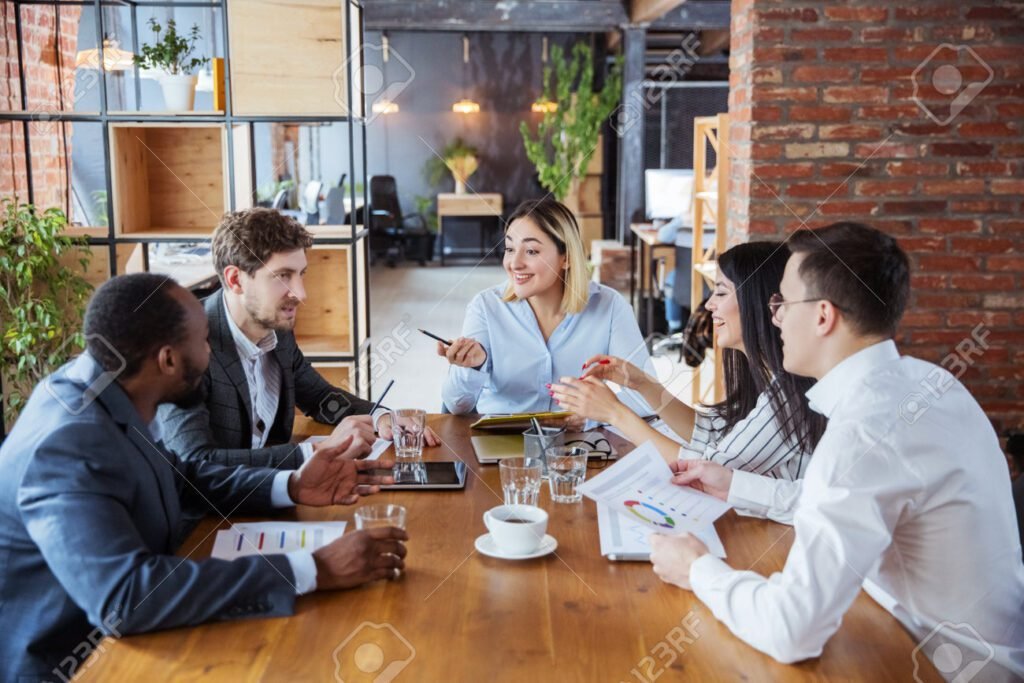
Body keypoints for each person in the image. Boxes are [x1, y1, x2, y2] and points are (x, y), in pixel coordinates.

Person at [650, 222, 1024, 678]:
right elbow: (840, 498)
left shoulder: (863, 432)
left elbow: (792, 630)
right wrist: (734, 485)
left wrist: (696, 569)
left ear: (823, 316)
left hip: (942, 667)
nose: (774, 318)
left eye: (782, 303)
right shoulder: (929, 382)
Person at [0, 274, 407, 681]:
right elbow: (125, 598)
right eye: (204, 341)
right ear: (168, 360)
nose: (211, 352)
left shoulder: (107, 385)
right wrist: (312, 569)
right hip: (80, 665)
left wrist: (293, 485)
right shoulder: (67, 445)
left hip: (143, 640)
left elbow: (183, 478)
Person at [159, 208, 438, 471]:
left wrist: (382, 417)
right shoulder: (185, 345)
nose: (301, 294)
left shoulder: (276, 328)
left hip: (266, 489)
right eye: (283, 276)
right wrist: (318, 452)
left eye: (301, 274)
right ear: (235, 280)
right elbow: (195, 462)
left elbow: (319, 397)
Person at [552, 241, 826, 481]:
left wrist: (615, 413)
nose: (708, 305)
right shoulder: (768, 380)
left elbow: (712, 470)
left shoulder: (789, 394)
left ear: (756, 301)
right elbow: (713, 433)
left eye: (721, 292)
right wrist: (642, 383)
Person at [440, 198, 654, 419]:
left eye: (531, 251)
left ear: (566, 258)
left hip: (580, 440)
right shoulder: (486, 307)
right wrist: (472, 368)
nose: (515, 263)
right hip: (501, 439)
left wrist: (593, 415)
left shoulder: (610, 306)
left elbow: (649, 399)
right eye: (510, 249)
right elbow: (456, 406)